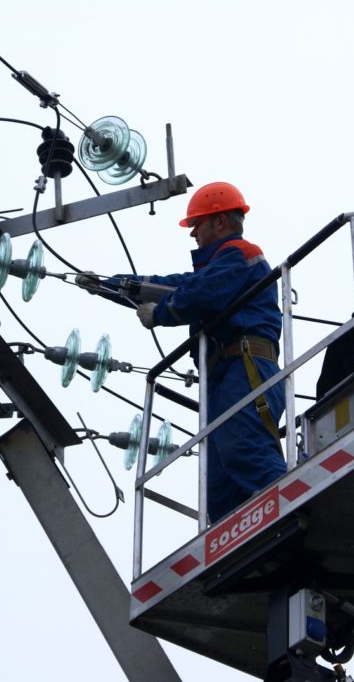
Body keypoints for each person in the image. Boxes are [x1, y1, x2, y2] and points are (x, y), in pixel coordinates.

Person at [77, 182, 285, 523]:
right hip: (223, 375)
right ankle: (232, 541)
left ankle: (289, 510)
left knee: (243, 448)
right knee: (219, 473)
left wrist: (160, 315)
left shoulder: (241, 255)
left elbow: (200, 296)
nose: (193, 235)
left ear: (219, 222)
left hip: (245, 366)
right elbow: (168, 285)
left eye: (196, 225)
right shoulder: (217, 267)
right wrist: (107, 285)